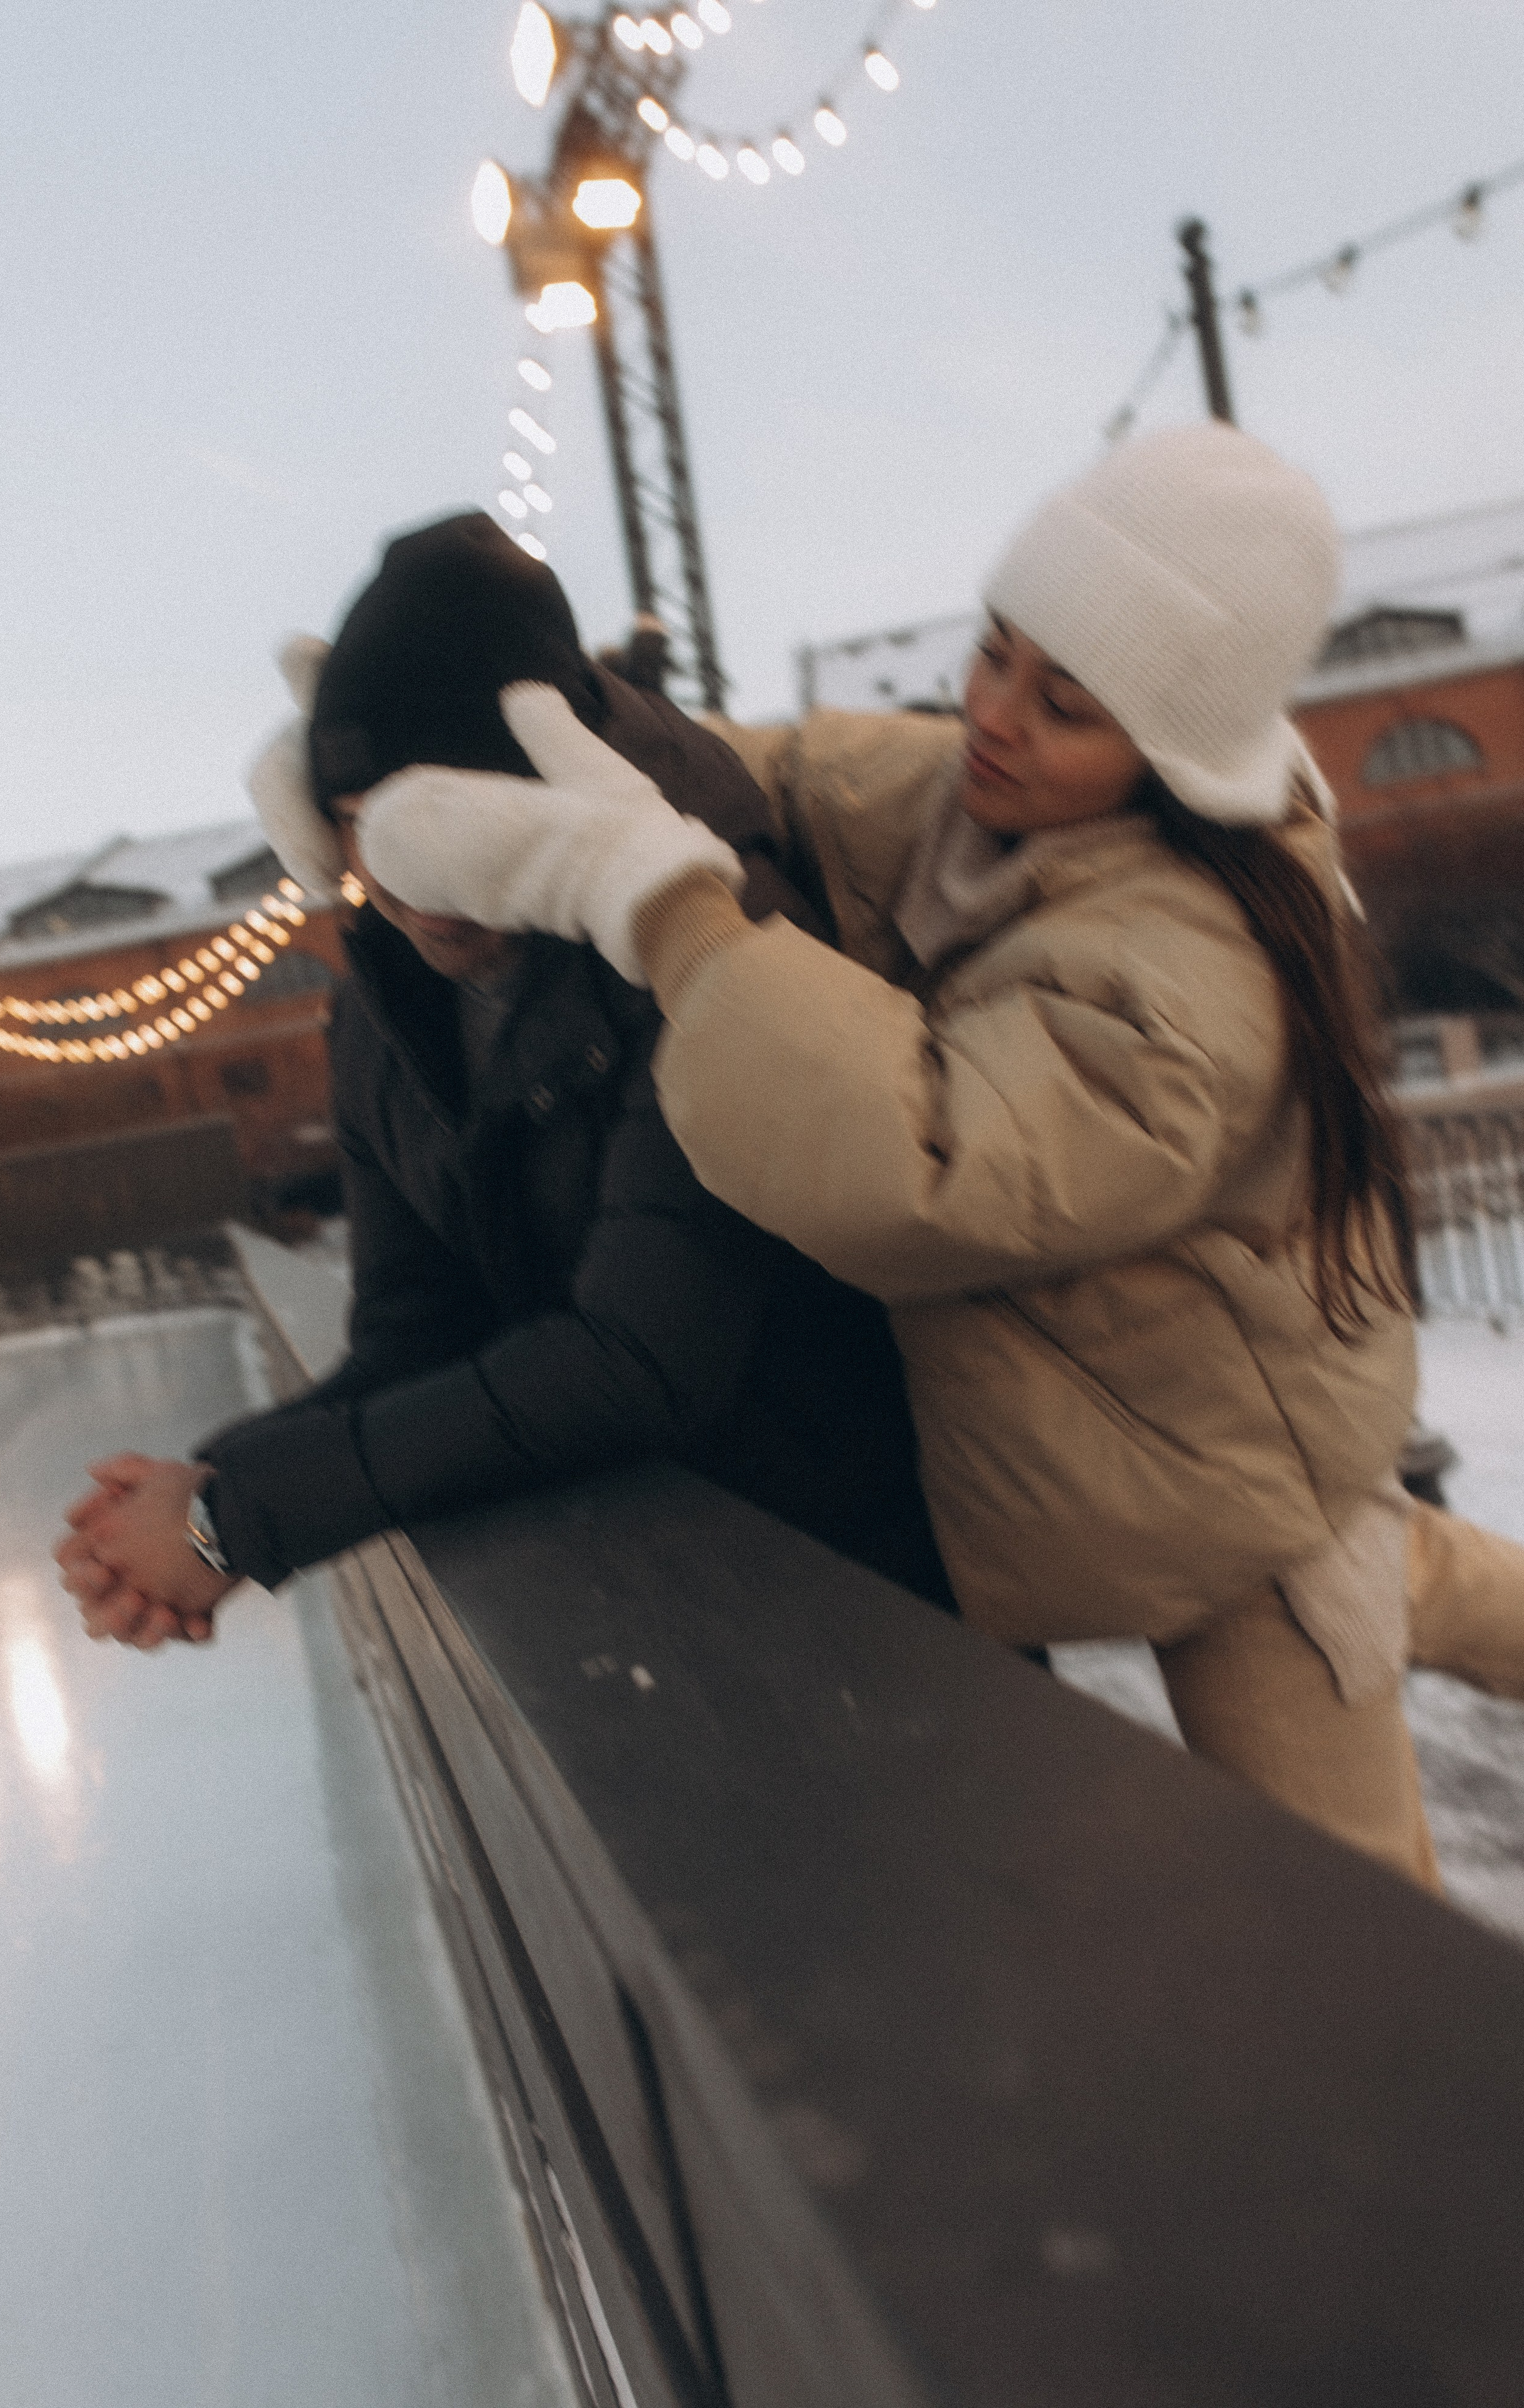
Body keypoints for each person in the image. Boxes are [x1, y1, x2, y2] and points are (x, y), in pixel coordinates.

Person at [350, 425, 1524, 1889]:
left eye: (1066, 703)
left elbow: (920, 1161)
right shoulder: (966, 800)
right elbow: (728, 776)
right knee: (1411, 1571)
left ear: (1164, 747)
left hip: (1244, 1526)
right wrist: (408, 772)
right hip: (1148, 1444)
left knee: (1345, 1931)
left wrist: (653, 903)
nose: (994, 716)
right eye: (993, 651)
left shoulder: (1185, 973)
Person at [55, 513, 952, 1649]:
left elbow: (641, 1359)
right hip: (633, 1607)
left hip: (859, 1597)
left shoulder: (709, 938)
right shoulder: (383, 1004)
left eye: (443, 825)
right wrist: (216, 1494)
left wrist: (240, 1521)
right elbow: (416, 1327)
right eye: (353, 827)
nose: (403, 879)